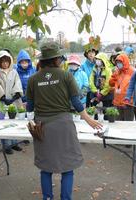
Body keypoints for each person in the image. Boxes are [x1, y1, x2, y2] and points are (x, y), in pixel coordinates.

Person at [26, 41, 102, 200]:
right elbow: (76, 102)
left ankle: (47, 198)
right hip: (63, 125)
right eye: (59, 57)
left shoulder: (33, 79)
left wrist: (29, 121)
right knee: (67, 168)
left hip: (42, 126)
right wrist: (89, 120)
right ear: (55, 59)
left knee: (46, 168)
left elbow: (30, 106)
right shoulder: (66, 75)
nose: (61, 60)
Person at [0, 49, 24, 154]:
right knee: (3, 123)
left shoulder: (14, 72)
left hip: (14, 102)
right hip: (2, 102)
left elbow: (17, 84)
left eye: (7, 61)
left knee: (14, 122)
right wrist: (4, 98)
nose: (5, 63)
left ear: (10, 62)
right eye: (2, 61)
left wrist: (13, 98)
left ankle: (14, 143)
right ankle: (6, 145)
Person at [109, 54, 135, 121]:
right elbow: (111, 83)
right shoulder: (117, 71)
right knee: (118, 125)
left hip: (128, 103)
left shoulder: (132, 71)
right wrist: (114, 76)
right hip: (117, 102)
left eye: (120, 62)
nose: (118, 64)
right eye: (117, 62)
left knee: (128, 125)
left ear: (125, 61)